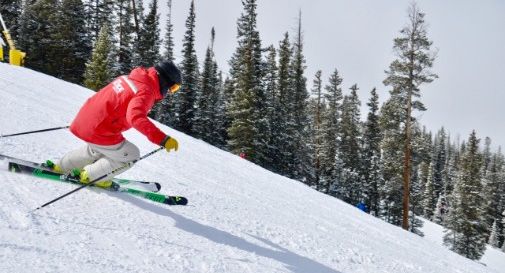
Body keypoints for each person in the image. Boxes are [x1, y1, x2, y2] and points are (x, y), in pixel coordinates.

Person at [45, 60, 182, 188]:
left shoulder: (130, 78)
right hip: (99, 129)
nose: (171, 91)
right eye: (173, 87)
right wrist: (162, 139)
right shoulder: (146, 91)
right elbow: (135, 117)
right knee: (131, 154)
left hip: (85, 120)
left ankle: (63, 166)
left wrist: (89, 121)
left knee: (99, 149)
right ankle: (90, 176)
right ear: (165, 80)